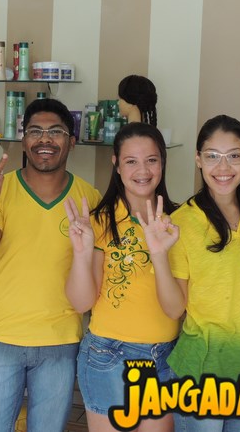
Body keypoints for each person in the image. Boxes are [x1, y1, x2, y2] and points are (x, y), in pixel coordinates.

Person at [0, 98, 101, 432]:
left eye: (56, 132)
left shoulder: (90, 199)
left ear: (72, 141)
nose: (45, 139)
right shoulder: (1, 190)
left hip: (61, 342)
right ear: (23, 140)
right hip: (1, 338)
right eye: (35, 131)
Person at [168, 114, 240, 432]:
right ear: (198, 159)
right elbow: (178, 306)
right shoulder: (182, 222)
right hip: (202, 370)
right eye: (212, 156)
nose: (223, 167)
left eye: (234, 156)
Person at [64, 122, 183, 431]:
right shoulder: (100, 221)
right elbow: (81, 303)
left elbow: (177, 308)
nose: (142, 170)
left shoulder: (179, 222)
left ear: (162, 163)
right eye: (131, 161)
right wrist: (81, 253)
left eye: (151, 160)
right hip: (108, 354)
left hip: (165, 355)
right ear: (116, 165)